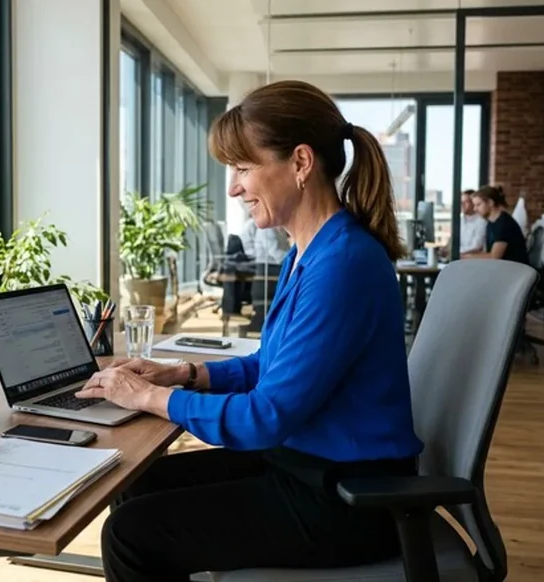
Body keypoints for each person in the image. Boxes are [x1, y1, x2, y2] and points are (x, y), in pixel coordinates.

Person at [74, 80, 424, 582]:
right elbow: (272, 367)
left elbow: (265, 416)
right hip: (307, 463)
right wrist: (184, 373)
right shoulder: (308, 252)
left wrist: (149, 398)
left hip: (351, 499)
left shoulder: (343, 263)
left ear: (300, 163)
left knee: (132, 532)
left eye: (242, 168)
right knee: (138, 483)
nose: (234, 187)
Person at [463, 185, 529, 264]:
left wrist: (465, 257)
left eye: (478, 205)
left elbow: (494, 257)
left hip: (514, 272)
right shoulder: (492, 222)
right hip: (502, 269)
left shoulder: (504, 224)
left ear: (490, 203)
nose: (475, 209)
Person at [459, 189, 488, 255]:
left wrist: (455, 251)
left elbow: (476, 246)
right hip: (460, 258)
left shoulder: (482, 221)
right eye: (461, 202)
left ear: (473, 203)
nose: (462, 204)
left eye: (466, 202)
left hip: (473, 260)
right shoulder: (460, 220)